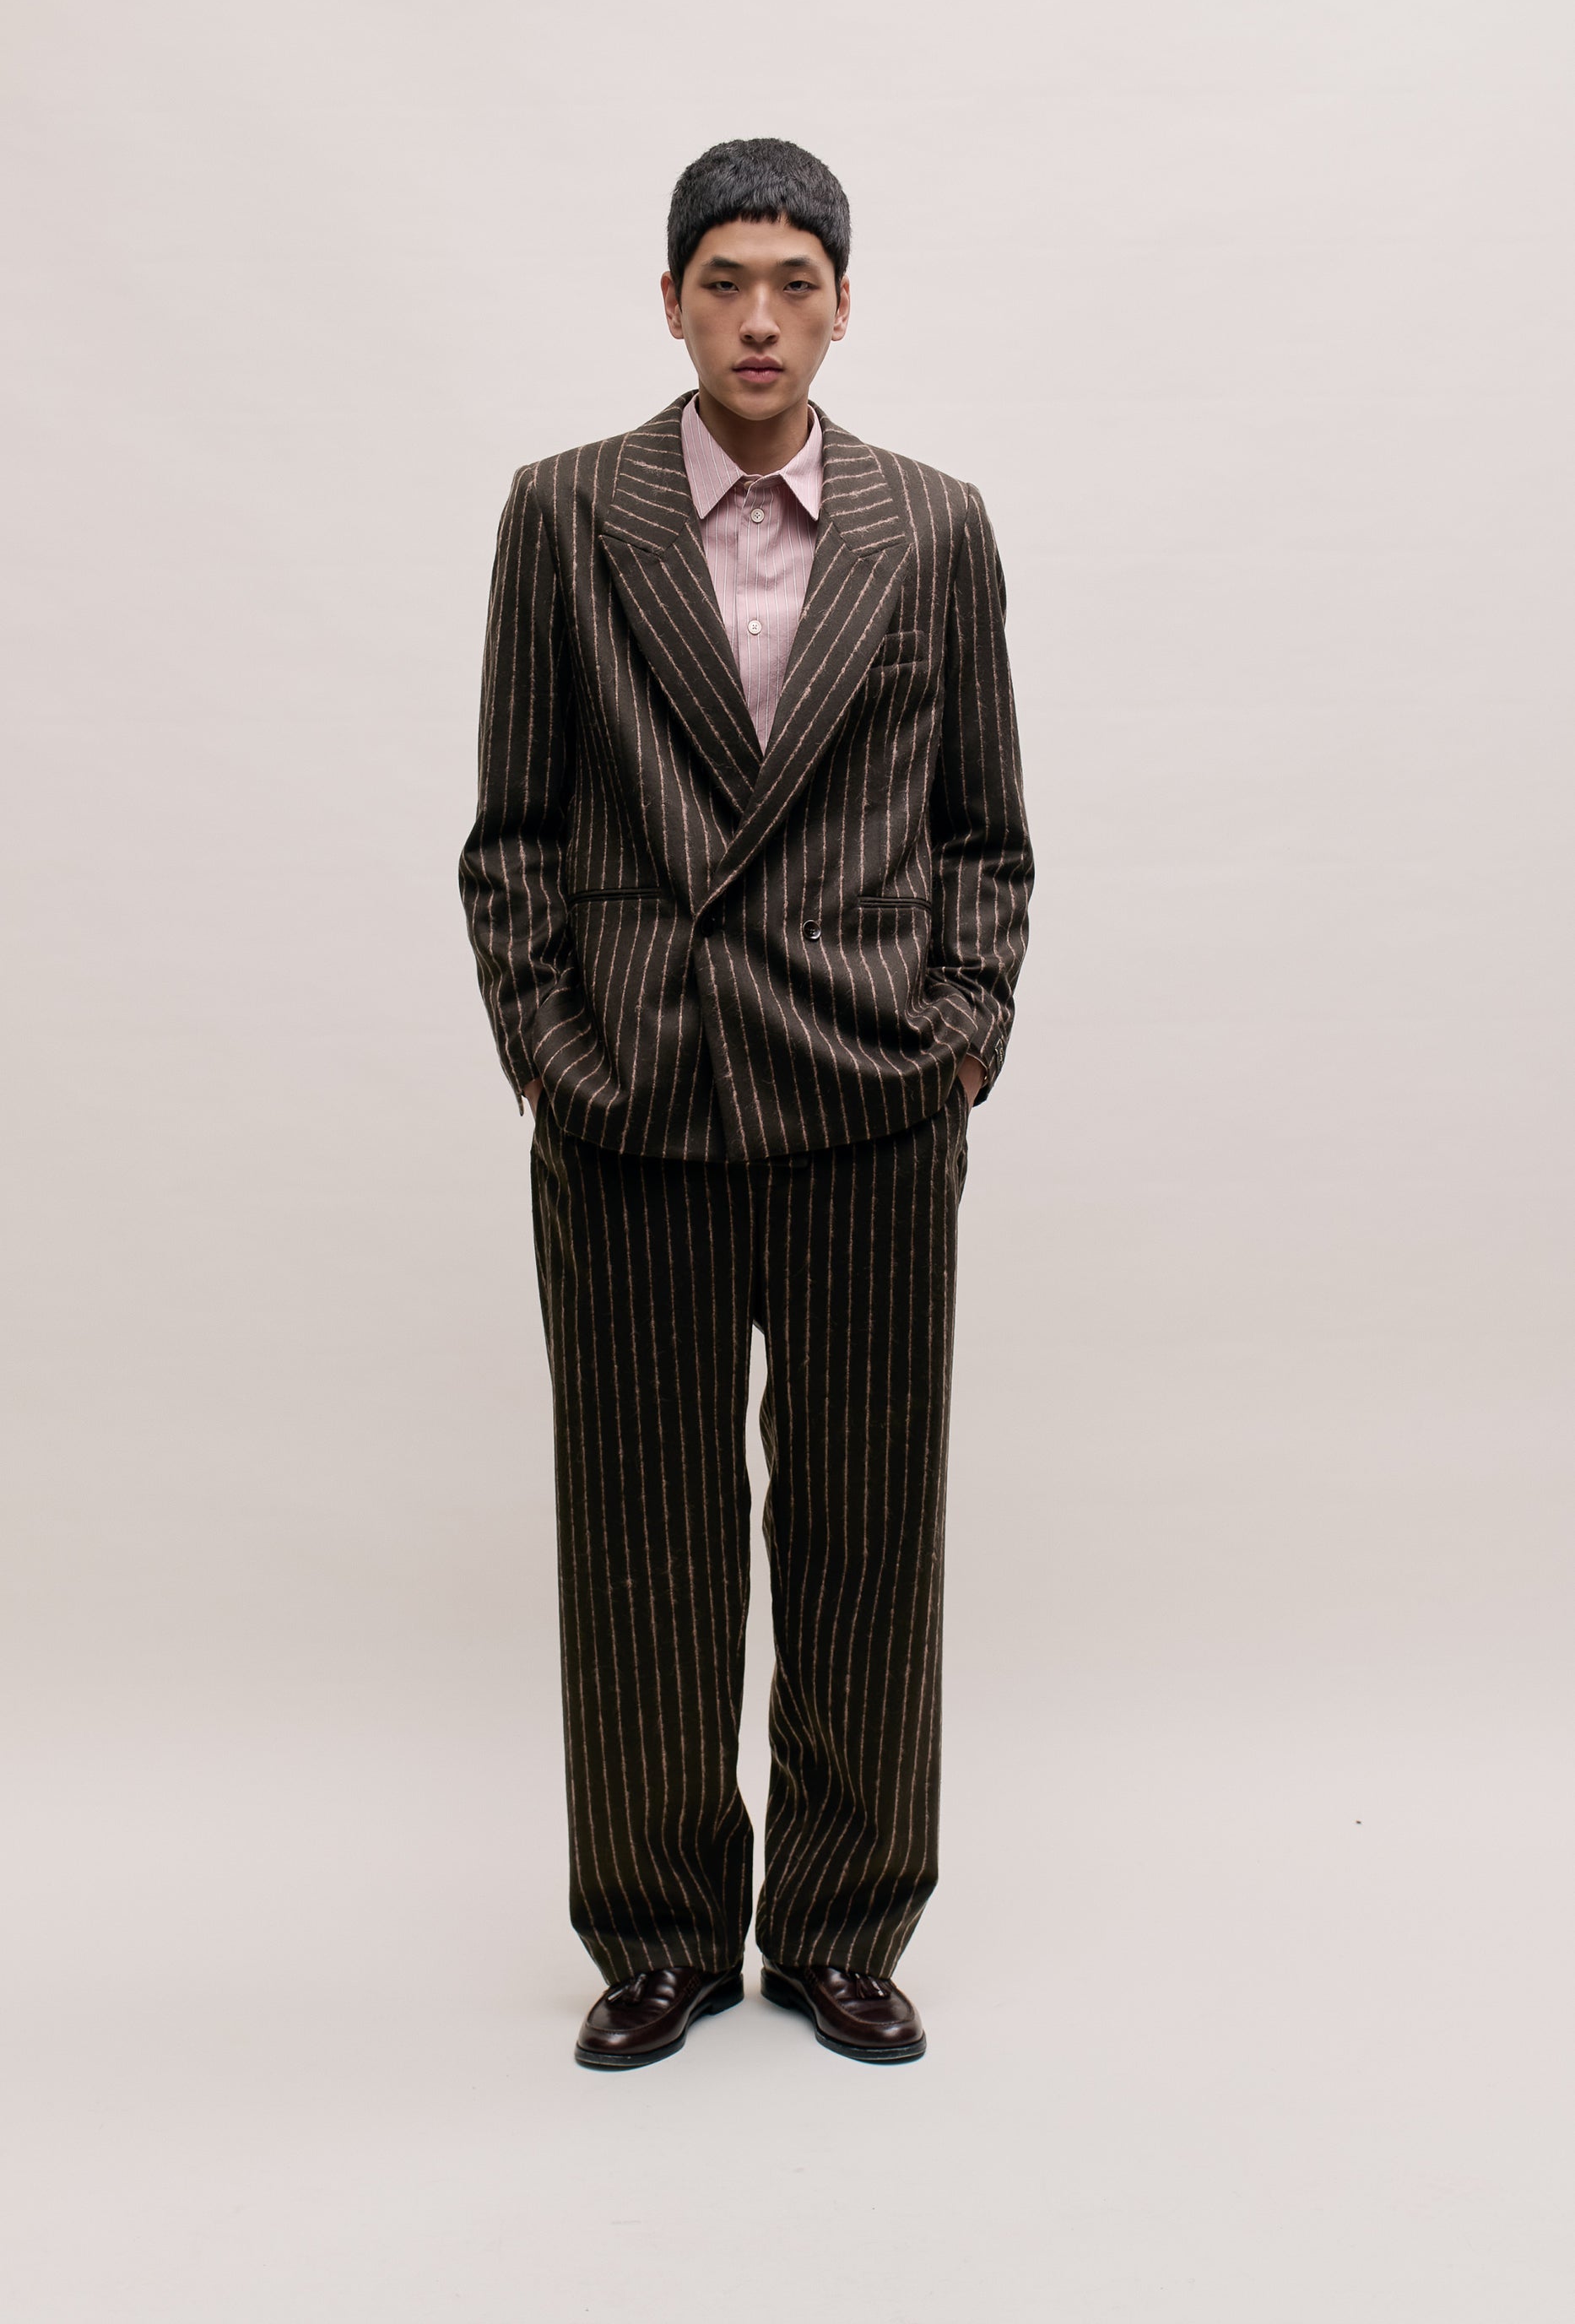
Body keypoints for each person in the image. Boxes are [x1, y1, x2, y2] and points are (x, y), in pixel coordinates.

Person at [459, 137, 1032, 2069]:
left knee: (868, 1535)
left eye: (795, 280)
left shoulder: (932, 526)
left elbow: (982, 830)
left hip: (869, 1101)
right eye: (724, 280)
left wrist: (959, 1029)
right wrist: (550, 1045)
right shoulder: (565, 514)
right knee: (646, 1537)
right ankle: (659, 1933)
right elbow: (516, 828)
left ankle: (844, 1924)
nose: (760, 316)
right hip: (637, 1100)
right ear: (672, 301)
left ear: (843, 304)